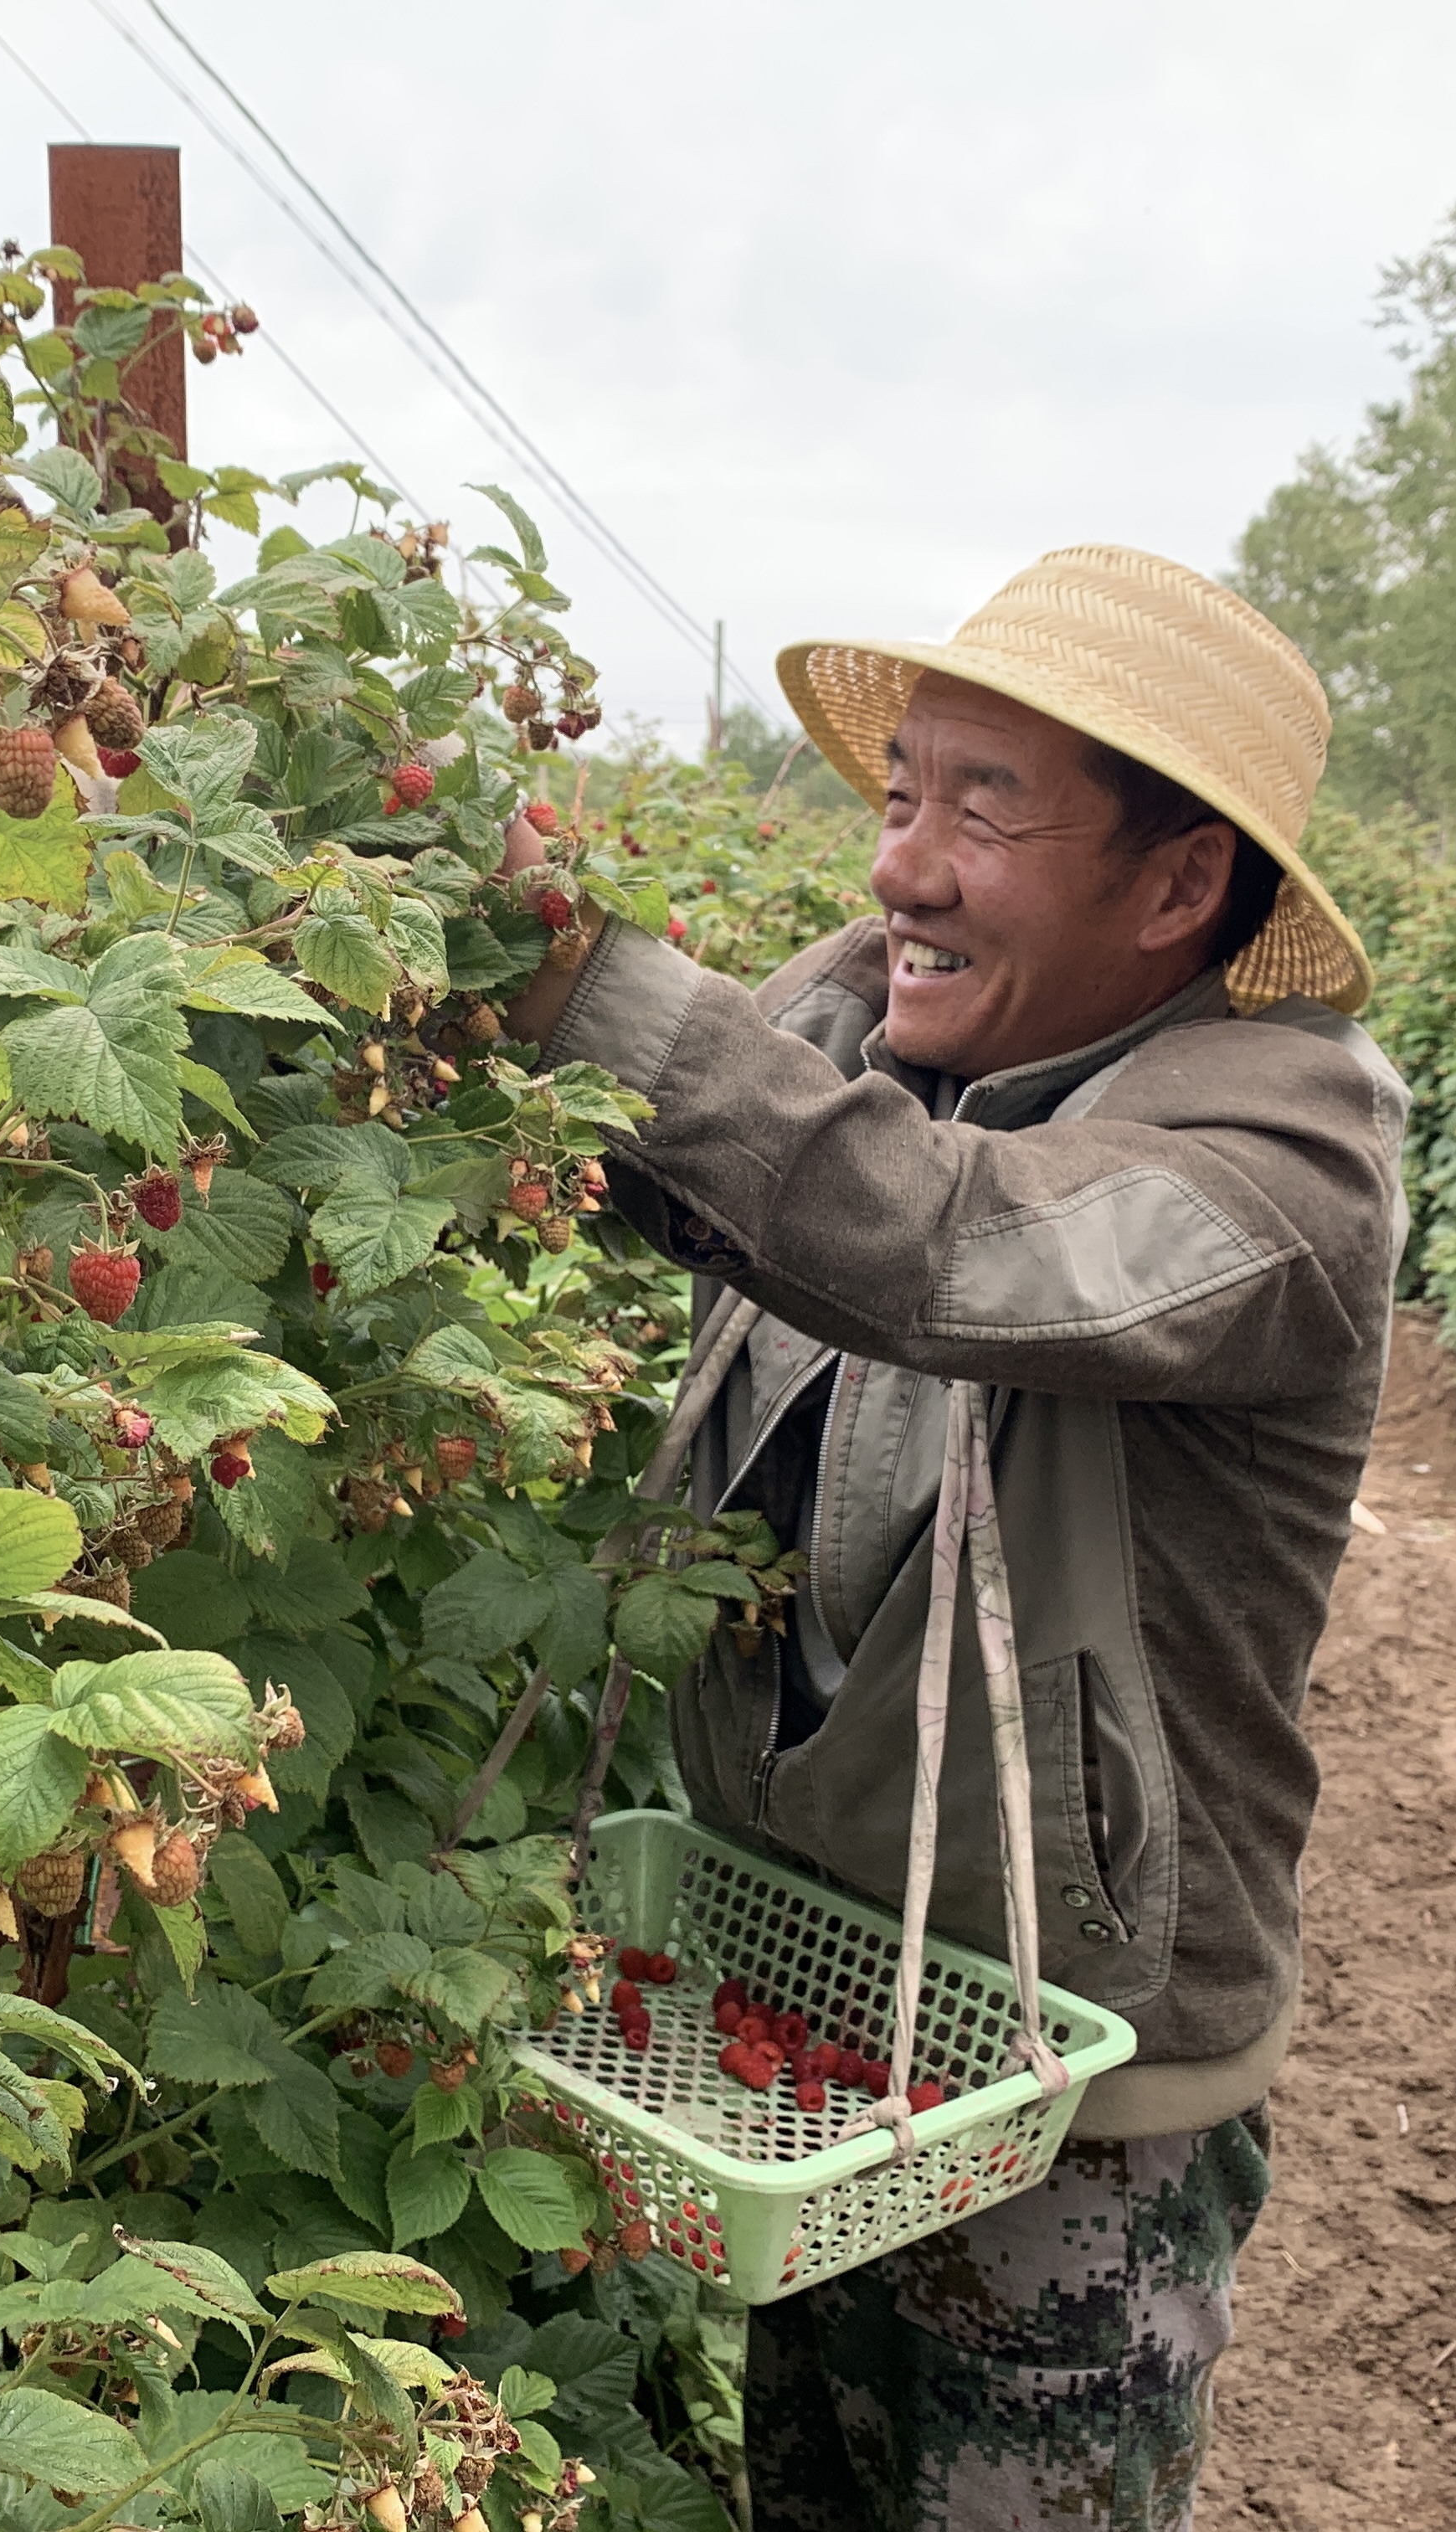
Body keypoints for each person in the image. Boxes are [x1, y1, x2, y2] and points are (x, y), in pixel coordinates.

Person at [497, 547, 1407, 2530]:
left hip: (1080, 2089)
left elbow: (942, 1243)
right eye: (899, 791)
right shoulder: (905, 1039)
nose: (907, 860)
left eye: (987, 808)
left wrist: (591, 983)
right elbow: (705, 1172)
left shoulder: (1288, 1167)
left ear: (1180, 889)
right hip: (822, 2006)